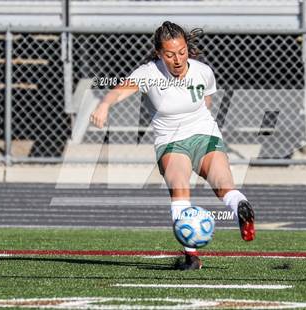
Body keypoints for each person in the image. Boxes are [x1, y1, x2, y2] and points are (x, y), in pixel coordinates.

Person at [90, 21, 255, 270]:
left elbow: (207, 101)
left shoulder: (203, 71)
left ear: (188, 48)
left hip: (205, 134)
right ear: (159, 53)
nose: (177, 59)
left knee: (224, 186)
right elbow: (119, 90)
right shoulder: (149, 73)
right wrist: (104, 104)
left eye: (181, 52)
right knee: (180, 187)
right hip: (171, 141)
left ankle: (224, 226)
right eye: (169, 54)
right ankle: (197, 248)